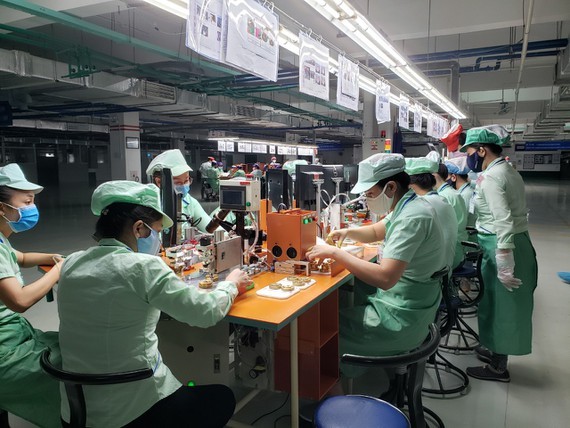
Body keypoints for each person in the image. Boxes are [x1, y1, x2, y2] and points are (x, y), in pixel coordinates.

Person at [57, 181, 252, 427]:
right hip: (134, 412)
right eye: (157, 231)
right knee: (222, 397)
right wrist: (231, 284)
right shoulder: (143, 267)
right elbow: (206, 312)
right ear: (139, 228)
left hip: (76, 412)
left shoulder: (72, 262)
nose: (159, 240)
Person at [306, 154, 447, 372]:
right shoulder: (408, 205)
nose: (368, 199)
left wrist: (335, 253)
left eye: (370, 194)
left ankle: (336, 398)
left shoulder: (412, 218)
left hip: (402, 316)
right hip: (409, 302)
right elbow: (375, 230)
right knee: (351, 293)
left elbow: (385, 278)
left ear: (390, 187)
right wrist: (347, 231)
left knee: (323, 329)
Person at [460, 125, 538, 382]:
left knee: (502, 307)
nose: (468, 156)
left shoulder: (491, 178)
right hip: (513, 241)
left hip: (503, 244)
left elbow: (502, 220)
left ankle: (498, 367)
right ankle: (494, 349)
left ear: (481, 150)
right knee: (495, 302)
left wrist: (504, 261)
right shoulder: (507, 169)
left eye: (470, 151)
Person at [0, 164, 63, 428]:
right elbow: (20, 300)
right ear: (2, 208)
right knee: (71, 364)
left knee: (69, 346)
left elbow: (21, 257)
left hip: (14, 334)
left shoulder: (3, 241)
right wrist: (57, 272)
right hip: (5, 349)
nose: (31, 208)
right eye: (26, 202)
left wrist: (53, 257)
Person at [405, 157, 458, 270]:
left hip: (426, 274)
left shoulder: (420, 206)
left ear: (410, 185)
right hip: (443, 268)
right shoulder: (440, 200)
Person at [146, 149, 212, 233]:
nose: (184, 186)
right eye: (178, 182)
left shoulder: (188, 201)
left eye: (186, 180)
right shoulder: (149, 205)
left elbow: (208, 227)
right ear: (159, 182)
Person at [433, 162, 468, 269]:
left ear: (434, 176)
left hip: (451, 253)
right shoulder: (451, 193)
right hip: (458, 249)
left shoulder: (443, 197)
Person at [445, 156, 477, 230]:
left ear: (453, 177)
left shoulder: (465, 194)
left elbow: (461, 219)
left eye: (446, 177)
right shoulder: (464, 191)